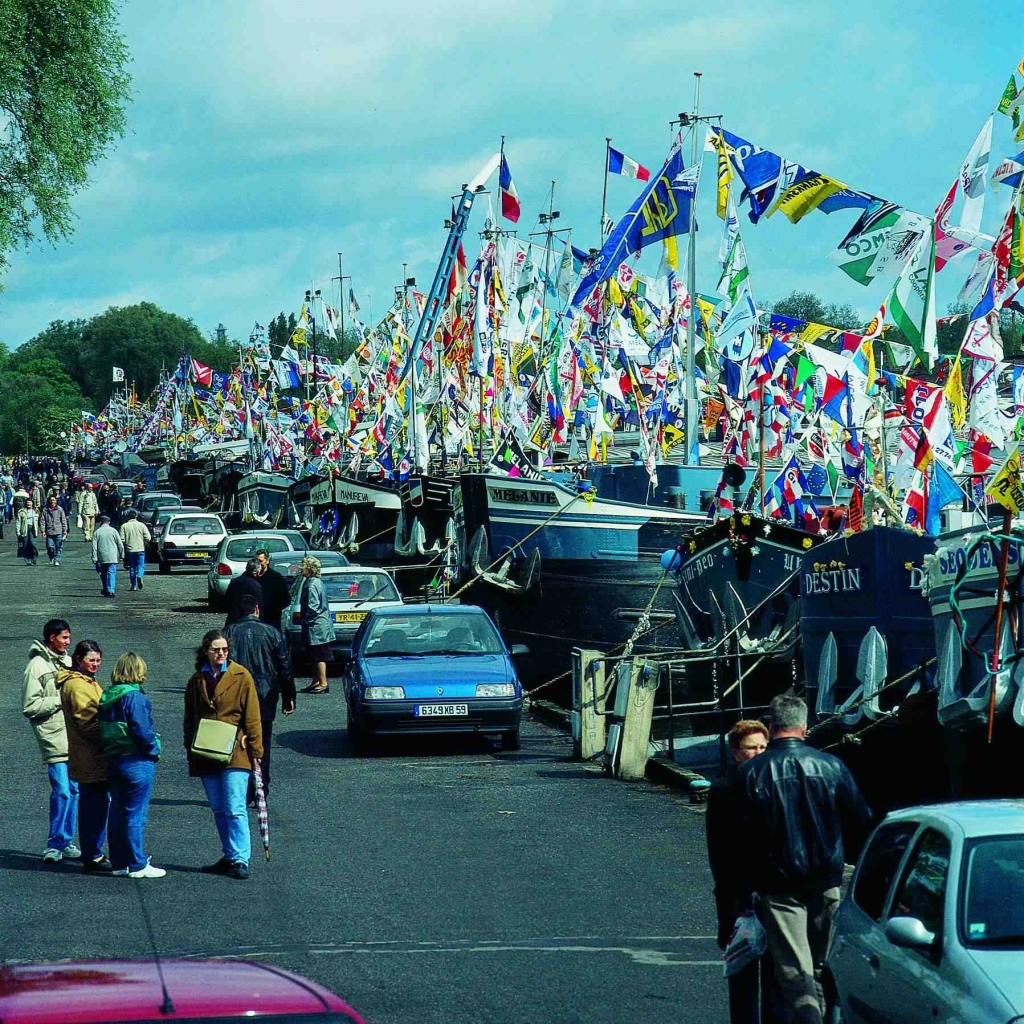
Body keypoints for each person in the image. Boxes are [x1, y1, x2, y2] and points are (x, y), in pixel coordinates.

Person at [737, 695, 873, 1024]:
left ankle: (810, 1016)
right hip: (826, 879)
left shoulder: (752, 773)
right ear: (805, 728)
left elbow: (740, 839)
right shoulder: (831, 766)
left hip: (779, 885)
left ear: (771, 728)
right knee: (824, 962)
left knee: (794, 971)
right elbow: (863, 819)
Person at [707, 721, 784, 1024]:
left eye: (763, 747)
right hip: (737, 895)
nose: (758, 753)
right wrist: (733, 898)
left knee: (777, 976)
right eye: (751, 748)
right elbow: (719, 850)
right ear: (736, 753)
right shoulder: (725, 789)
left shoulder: (776, 783)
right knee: (742, 974)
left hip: (773, 892)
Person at [183, 629, 263, 880]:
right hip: (206, 750)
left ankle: (241, 858)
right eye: (216, 649)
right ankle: (229, 855)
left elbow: (252, 716)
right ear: (206, 651)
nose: (221, 653)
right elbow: (189, 717)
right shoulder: (197, 680)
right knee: (218, 808)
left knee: (235, 806)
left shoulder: (241, 676)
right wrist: (189, 747)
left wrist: (255, 751)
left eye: (224, 649)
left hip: (234, 751)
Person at [98, 653, 164, 878]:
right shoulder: (135, 698)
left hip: (113, 760)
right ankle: (137, 864)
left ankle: (119, 863)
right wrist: (154, 750)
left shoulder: (108, 696)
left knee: (116, 812)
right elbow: (142, 731)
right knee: (136, 813)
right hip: (135, 760)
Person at [225, 594, 295, 798]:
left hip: (237, 695)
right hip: (265, 694)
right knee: (262, 743)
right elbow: (284, 668)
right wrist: (289, 696)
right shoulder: (272, 633)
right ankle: (261, 788)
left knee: (237, 743)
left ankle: (242, 789)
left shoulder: (229, 633)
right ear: (257, 609)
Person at [22, 619, 78, 863]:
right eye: (65, 637)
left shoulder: (67, 662)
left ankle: (66, 840)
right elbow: (29, 705)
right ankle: (54, 844)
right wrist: (60, 700)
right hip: (53, 736)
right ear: (52, 638)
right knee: (63, 791)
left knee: (74, 791)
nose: (69, 642)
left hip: (73, 735)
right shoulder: (36, 666)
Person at [57, 640, 112, 874]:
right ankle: (93, 855)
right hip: (91, 756)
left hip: (92, 755)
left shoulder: (85, 681)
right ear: (78, 659)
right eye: (91, 660)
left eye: (98, 660)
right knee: (94, 807)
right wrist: (112, 740)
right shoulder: (78, 686)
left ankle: (93, 852)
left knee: (96, 804)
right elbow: (87, 723)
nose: (95, 665)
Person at [298, 555, 334, 695]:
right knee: (313, 655)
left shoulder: (313, 584)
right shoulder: (313, 581)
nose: (301, 568)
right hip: (317, 625)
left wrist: (306, 621)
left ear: (310, 568)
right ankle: (316, 681)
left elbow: (313, 607)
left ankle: (323, 682)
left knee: (319, 655)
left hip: (316, 626)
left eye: (303, 565)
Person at [254, 549, 290, 632]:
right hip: (256, 618)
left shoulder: (276, 577)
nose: (258, 564)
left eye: (260, 561)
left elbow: (286, 599)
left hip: (272, 619)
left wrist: (275, 610)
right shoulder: (253, 577)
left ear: (267, 561)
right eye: (256, 561)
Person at [119, 509, 152, 592]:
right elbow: (148, 537)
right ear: (136, 516)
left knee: (132, 567)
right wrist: (144, 542)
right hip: (140, 548)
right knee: (141, 565)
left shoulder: (124, 526)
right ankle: (140, 575)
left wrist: (126, 543)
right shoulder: (142, 525)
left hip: (130, 549)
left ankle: (133, 585)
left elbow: (121, 539)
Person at [92, 515, 125, 598]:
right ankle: (111, 590)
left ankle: (106, 589)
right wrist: (122, 554)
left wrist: (94, 558)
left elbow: (94, 547)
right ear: (109, 522)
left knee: (103, 574)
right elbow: (120, 544)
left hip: (102, 556)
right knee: (112, 573)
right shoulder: (113, 531)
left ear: (100, 522)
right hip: (112, 556)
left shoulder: (97, 532)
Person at [224, 559, 264, 627]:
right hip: (251, 621)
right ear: (257, 572)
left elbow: (226, 600)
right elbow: (260, 606)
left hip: (233, 619)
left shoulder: (234, 582)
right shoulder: (256, 586)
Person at [42, 495, 69, 566]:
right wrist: (43, 531)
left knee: (59, 547)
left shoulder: (60, 509)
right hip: (49, 531)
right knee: (49, 546)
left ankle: (57, 559)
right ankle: (52, 557)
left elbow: (63, 520)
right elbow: (42, 521)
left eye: (54, 500)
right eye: (51, 500)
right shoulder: (45, 510)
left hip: (58, 530)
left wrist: (65, 530)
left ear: (56, 501)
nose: (52, 502)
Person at [16, 498, 39, 565]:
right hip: (24, 529)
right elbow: (18, 522)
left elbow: (39, 521)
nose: (29, 504)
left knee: (33, 544)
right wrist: (18, 532)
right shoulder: (21, 511)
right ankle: (27, 560)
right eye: (27, 502)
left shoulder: (36, 511)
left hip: (33, 529)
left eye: (30, 502)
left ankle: (34, 558)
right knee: (25, 544)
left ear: (32, 503)